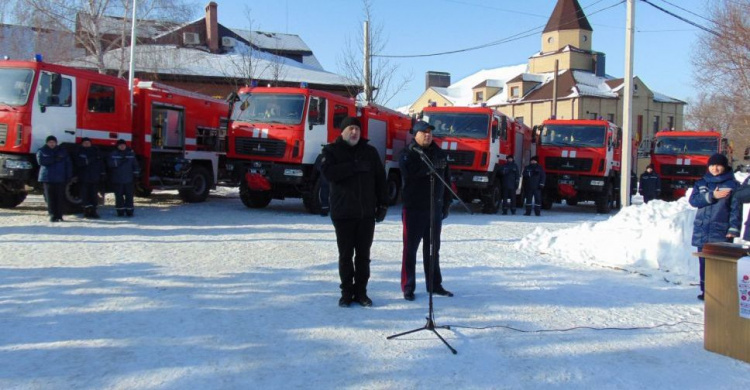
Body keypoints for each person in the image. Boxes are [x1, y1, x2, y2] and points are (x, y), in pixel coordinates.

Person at [321, 116, 388, 308]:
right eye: (350, 128)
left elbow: (380, 180)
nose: (354, 132)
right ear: (342, 131)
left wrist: (383, 204)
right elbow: (328, 174)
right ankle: (346, 293)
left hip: (366, 214)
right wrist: (353, 167)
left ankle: (361, 292)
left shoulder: (370, 152)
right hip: (343, 214)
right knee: (345, 255)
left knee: (363, 256)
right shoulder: (331, 151)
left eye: (357, 129)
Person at [399, 120, 453, 301]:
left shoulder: (439, 154)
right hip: (414, 209)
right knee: (410, 250)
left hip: (434, 208)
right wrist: (428, 169)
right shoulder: (408, 153)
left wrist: (445, 204)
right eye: (424, 132)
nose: (428, 135)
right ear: (415, 135)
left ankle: (434, 284)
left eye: (430, 132)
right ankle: (408, 286)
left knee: (432, 249)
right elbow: (410, 174)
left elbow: (447, 180)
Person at [689, 153, 741, 301]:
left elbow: (735, 209)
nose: (715, 168)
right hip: (702, 229)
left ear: (724, 166)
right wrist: (712, 196)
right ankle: (706, 291)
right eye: (712, 165)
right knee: (703, 262)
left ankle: (720, 291)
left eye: (718, 165)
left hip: (721, 230)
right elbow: (693, 201)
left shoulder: (732, 185)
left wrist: (733, 228)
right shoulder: (701, 183)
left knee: (720, 264)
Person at [36, 135, 72, 222]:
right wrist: (55, 159)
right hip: (48, 178)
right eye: (50, 142)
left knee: (60, 197)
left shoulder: (62, 151)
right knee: (50, 198)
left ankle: (59, 215)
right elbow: (41, 161)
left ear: (56, 143)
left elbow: (68, 164)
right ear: (47, 143)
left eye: (53, 142)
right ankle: (52, 214)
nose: (52, 144)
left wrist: (68, 175)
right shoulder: (42, 151)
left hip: (60, 177)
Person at [73, 137, 104, 219]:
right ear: (82, 144)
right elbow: (79, 163)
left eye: (88, 142)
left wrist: (102, 173)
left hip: (94, 177)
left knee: (94, 195)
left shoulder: (96, 151)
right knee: (84, 196)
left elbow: (101, 164)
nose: (87, 144)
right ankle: (86, 212)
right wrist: (90, 160)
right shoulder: (79, 152)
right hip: (83, 177)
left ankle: (94, 212)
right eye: (85, 143)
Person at [107, 139, 139, 217]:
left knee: (129, 196)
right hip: (117, 179)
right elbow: (110, 164)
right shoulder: (113, 154)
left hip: (129, 179)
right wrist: (120, 161)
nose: (122, 146)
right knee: (119, 196)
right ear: (117, 146)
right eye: (120, 145)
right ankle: (120, 211)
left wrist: (136, 174)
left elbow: (135, 165)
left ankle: (130, 211)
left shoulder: (131, 154)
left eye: (123, 145)